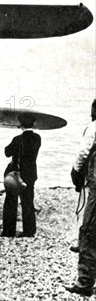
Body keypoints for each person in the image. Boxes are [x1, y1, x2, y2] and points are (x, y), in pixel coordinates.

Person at [66, 99, 96, 297]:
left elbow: (82, 154)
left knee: (88, 231)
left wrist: (75, 173)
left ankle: (84, 283)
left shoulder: (93, 127)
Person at [1, 113, 41, 238]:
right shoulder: (37, 138)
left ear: (21, 124)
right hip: (30, 174)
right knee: (28, 201)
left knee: (10, 202)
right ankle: (29, 231)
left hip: (15, 174)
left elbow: (7, 152)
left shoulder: (17, 139)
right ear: (33, 124)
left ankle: (9, 231)